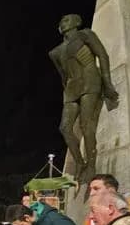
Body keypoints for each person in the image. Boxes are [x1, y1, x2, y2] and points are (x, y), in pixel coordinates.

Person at [49, 13, 119, 182]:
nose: (62, 23)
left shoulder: (85, 34)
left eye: (66, 20)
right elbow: (62, 76)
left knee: (86, 124)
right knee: (65, 128)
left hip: (90, 80)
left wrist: (107, 82)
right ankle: (80, 163)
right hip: (72, 88)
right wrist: (67, 92)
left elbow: (102, 55)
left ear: (76, 22)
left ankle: (91, 165)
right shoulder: (55, 52)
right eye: (61, 21)